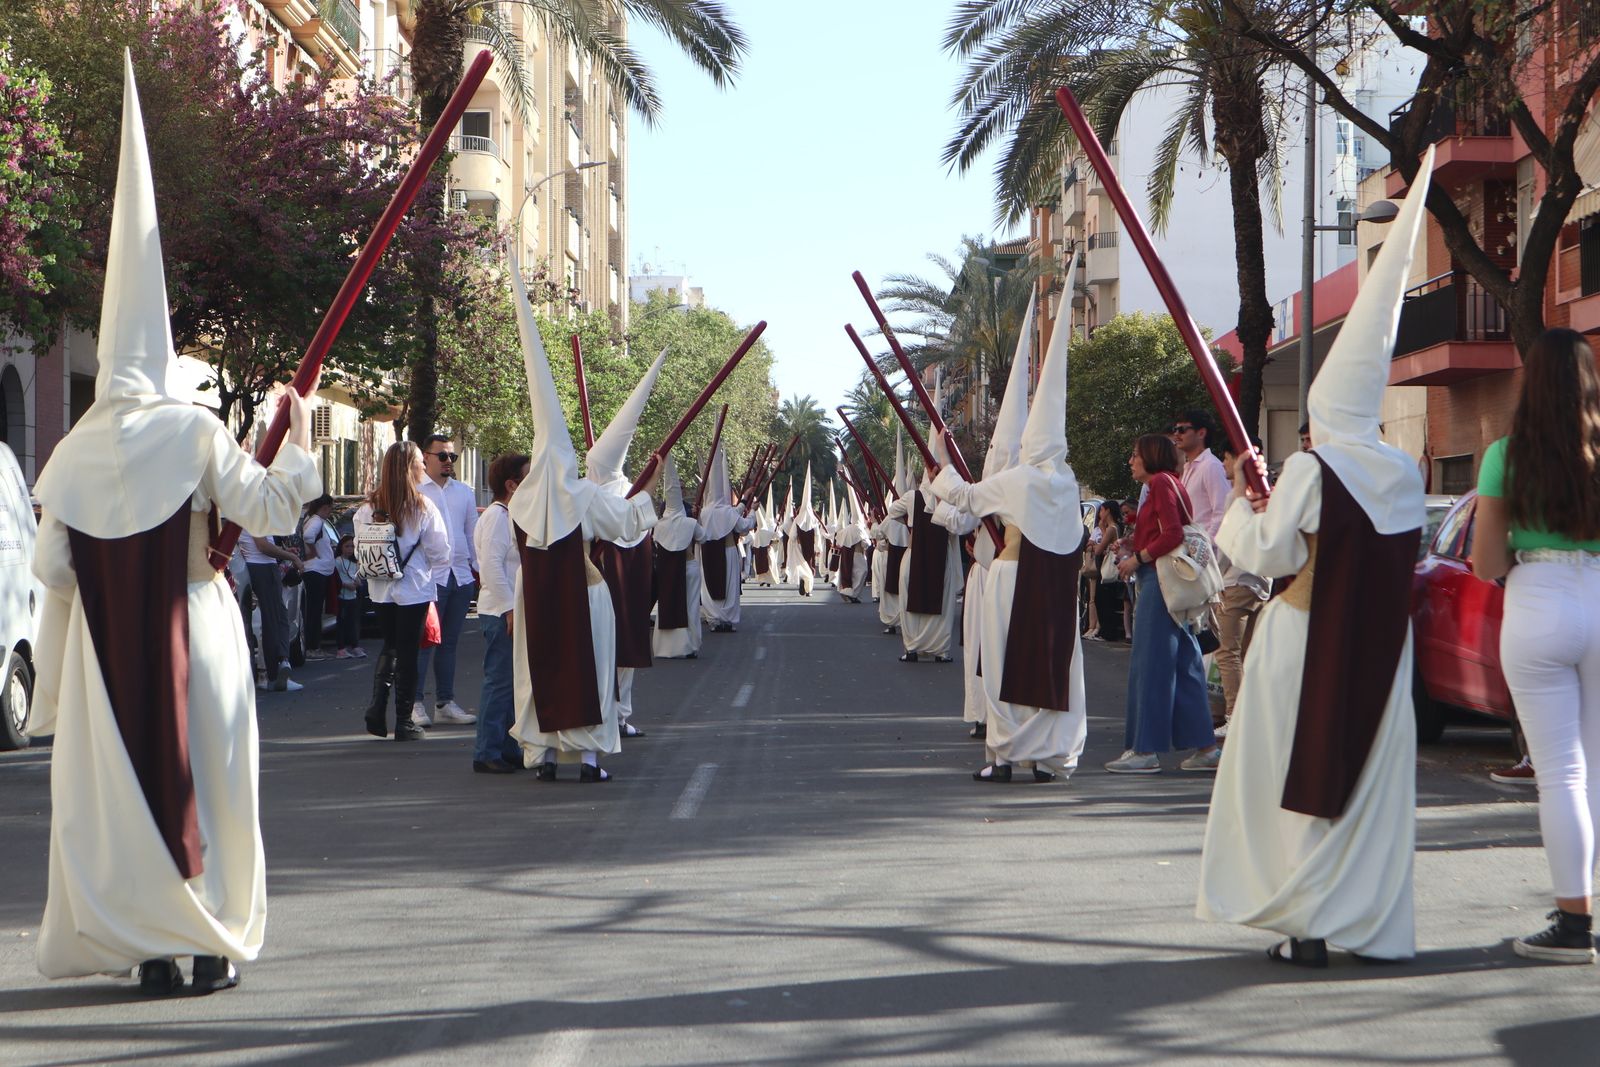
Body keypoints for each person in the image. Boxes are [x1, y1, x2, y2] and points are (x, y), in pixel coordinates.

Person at [26, 55, 323, 995]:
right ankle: (207, 943)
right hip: (200, 625)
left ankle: (150, 947)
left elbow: (53, 570)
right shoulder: (193, 431)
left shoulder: (67, 452)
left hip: (109, 665)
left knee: (126, 804)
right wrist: (301, 436)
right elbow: (273, 508)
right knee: (218, 791)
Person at [1197, 155, 1435, 967]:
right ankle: (1370, 921)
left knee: (1295, 783)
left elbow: (1265, 551)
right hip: (1384, 653)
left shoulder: (1312, 468)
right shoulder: (1403, 472)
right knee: (1370, 788)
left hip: (1302, 644)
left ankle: (1307, 922)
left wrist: (1240, 497)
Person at [504, 254, 659, 782]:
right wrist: (649, 492)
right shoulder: (584, 496)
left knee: (537, 671)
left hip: (535, 599)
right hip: (585, 596)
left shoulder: (520, 502)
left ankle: (544, 756)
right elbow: (626, 525)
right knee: (587, 670)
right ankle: (586, 758)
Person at [1472, 327, 1600, 964]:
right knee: (1598, 767)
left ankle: (1575, 924)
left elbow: (1486, 560)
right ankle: (1586, 912)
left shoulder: (1506, 454)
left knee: (1562, 774)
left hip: (1539, 597)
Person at [930, 302, 1088, 783]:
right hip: (1058, 590)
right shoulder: (1067, 481)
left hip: (1012, 577)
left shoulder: (1019, 479)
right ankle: (1046, 756)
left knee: (1002, 667)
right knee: (1054, 667)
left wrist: (941, 460)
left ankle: (1002, 757)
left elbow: (964, 496)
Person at [1106, 434, 1220, 773]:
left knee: (1151, 665)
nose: (1130, 461)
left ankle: (1145, 750)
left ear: (1151, 457)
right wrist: (1131, 542)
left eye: (1135, 454)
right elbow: (1168, 531)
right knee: (1185, 665)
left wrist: (1136, 557)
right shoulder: (1170, 483)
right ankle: (1205, 747)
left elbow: (1172, 534)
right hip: (1171, 584)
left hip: (1160, 583)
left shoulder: (1159, 485)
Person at [586, 348, 670, 739]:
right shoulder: (592, 491)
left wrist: (649, 485)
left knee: (617, 652)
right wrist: (650, 485)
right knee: (603, 653)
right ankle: (609, 713)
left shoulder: (608, 493)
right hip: (597, 588)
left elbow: (630, 522)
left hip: (616, 589)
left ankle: (616, 714)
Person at [358, 442, 450, 742]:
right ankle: (404, 720)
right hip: (413, 588)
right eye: (420, 462)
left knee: (390, 645)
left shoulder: (368, 507)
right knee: (408, 652)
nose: (424, 466)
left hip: (380, 587)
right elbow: (441, 552)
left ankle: (376, 706)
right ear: (410, 467)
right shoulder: (422, 506)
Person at [412, 433, 478, 728]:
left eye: (452, 456)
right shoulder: (414, 490)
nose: (448, 461)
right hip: (429, 577)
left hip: (460, 576)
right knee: (424, 643)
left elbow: (472, 534)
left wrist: (480, 573)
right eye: (442, 456)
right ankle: (414, 703)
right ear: (425, 457)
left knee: (449, 642)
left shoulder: (464, 492)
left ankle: (445, 702)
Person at [470, 452, 529, 774]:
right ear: (511, 484)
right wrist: (509, 610)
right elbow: (491, 566)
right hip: (499, 611)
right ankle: (487, 750)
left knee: (511, 682)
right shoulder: (496, 517)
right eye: (528, 477)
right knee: (500, 682)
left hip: (510, 608)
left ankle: (506, 747)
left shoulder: (510, 515)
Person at [1213, 441, 1270, 736]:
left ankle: (1235, 716)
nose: (1223, 465)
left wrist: (1214, 578)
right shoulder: (1264, 495)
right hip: (1259, 584)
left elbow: (1226, 544)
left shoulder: (1238, 498)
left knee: (1227, 652)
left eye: (1226, 458)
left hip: (1235, 582)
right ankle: (1247, 715)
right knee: (1246, 653)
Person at [699, 444, 758, 632]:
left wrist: (744, 500)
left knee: (709, 586)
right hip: (728, 551)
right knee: (730, 587)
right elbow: (743, 525)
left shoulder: (704, 512)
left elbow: (734, 512)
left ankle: (714, 619)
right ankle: (728, 619)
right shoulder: (726, 511)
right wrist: (753, 512)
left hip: (708, 553)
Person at [652, 455, 706, 659]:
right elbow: (705, 538)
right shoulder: (690, 523)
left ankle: (667, 647)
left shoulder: (658, 525)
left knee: (667, 603)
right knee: (690, 607)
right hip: (689, 567)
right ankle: (689, 645)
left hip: (667, 572)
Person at [1172, 410, 1231, 543]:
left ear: (1201, 433)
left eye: (1182, 429)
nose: (1176, 434)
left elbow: (1223, 512)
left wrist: (1206, 546)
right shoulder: (1188, 468)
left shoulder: (1211, 466)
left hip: (1205, 555)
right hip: (1190, 551)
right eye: (1175, 429)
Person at [297, 494, 337, 661]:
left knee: (313, 610)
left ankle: (313, 645)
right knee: (314, 611)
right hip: (316, 571)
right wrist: (313, 553)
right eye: (327, 508)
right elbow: (308, 537)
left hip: (317, 570)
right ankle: (313, 647)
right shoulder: (316, 521)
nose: (329, 512)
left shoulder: (311, 519)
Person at [1089, 502, 1126, 643]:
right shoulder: (1113, 528)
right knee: (1105, 599)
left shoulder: (1112, 528)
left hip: (1107, 569)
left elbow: (1099, 549)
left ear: (1108, 511)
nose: (1100, 514)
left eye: (1101, 511)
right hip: (1108, 567)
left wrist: (1093, 545)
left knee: (1103, 600)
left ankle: (1107, 632)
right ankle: (1106, 631)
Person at [786, 466, 822, 597]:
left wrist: (792, 546)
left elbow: (792, 536)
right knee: (810, 567)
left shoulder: (797, 520)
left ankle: (804, 583)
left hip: (801, 547)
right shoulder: (813, 521)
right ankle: (808, 589)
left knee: (802, 566)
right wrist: (818, 548)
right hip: (810, 548)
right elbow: (817, 535)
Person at [333, 534, 365, 659]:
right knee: (341, 623)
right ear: (341, 547)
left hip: (353, 596)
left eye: (352, 546)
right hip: (342, 596)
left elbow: (356, 576)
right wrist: (346, 585)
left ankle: (355, 645)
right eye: (347, 546)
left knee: (353, 622)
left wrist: (357, 583)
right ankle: (341, 649)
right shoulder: (338, 562)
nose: (350, 549)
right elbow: (336, 580)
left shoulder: (354, 562)